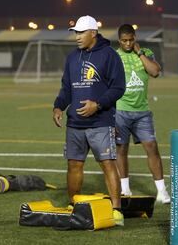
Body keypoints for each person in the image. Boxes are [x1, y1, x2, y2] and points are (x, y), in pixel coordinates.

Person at [53, 15, 126, 226]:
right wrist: (58, 106)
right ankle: (74, 204)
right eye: (75, 32)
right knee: (74, 165)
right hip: (75, 124)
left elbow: (118, 87)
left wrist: (98, 104)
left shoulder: (109, 55)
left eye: (81, 32)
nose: (77, 37)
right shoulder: (72, 58)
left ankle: (116, 210)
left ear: (93, 33)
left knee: (108, 164)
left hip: (101, 122)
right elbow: (66, 88)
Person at [115, 24, 170, 204]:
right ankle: (125, 189)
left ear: (135, 38)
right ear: (119, 40)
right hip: (120, 111)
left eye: (131, 39)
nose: (128, 43)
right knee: (121, 149)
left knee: (152, 147)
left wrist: (140, 54)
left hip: (142, 112)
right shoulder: (114, 56)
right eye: (124, 40)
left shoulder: (146, 52)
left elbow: (154, 72)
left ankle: (161, 192)